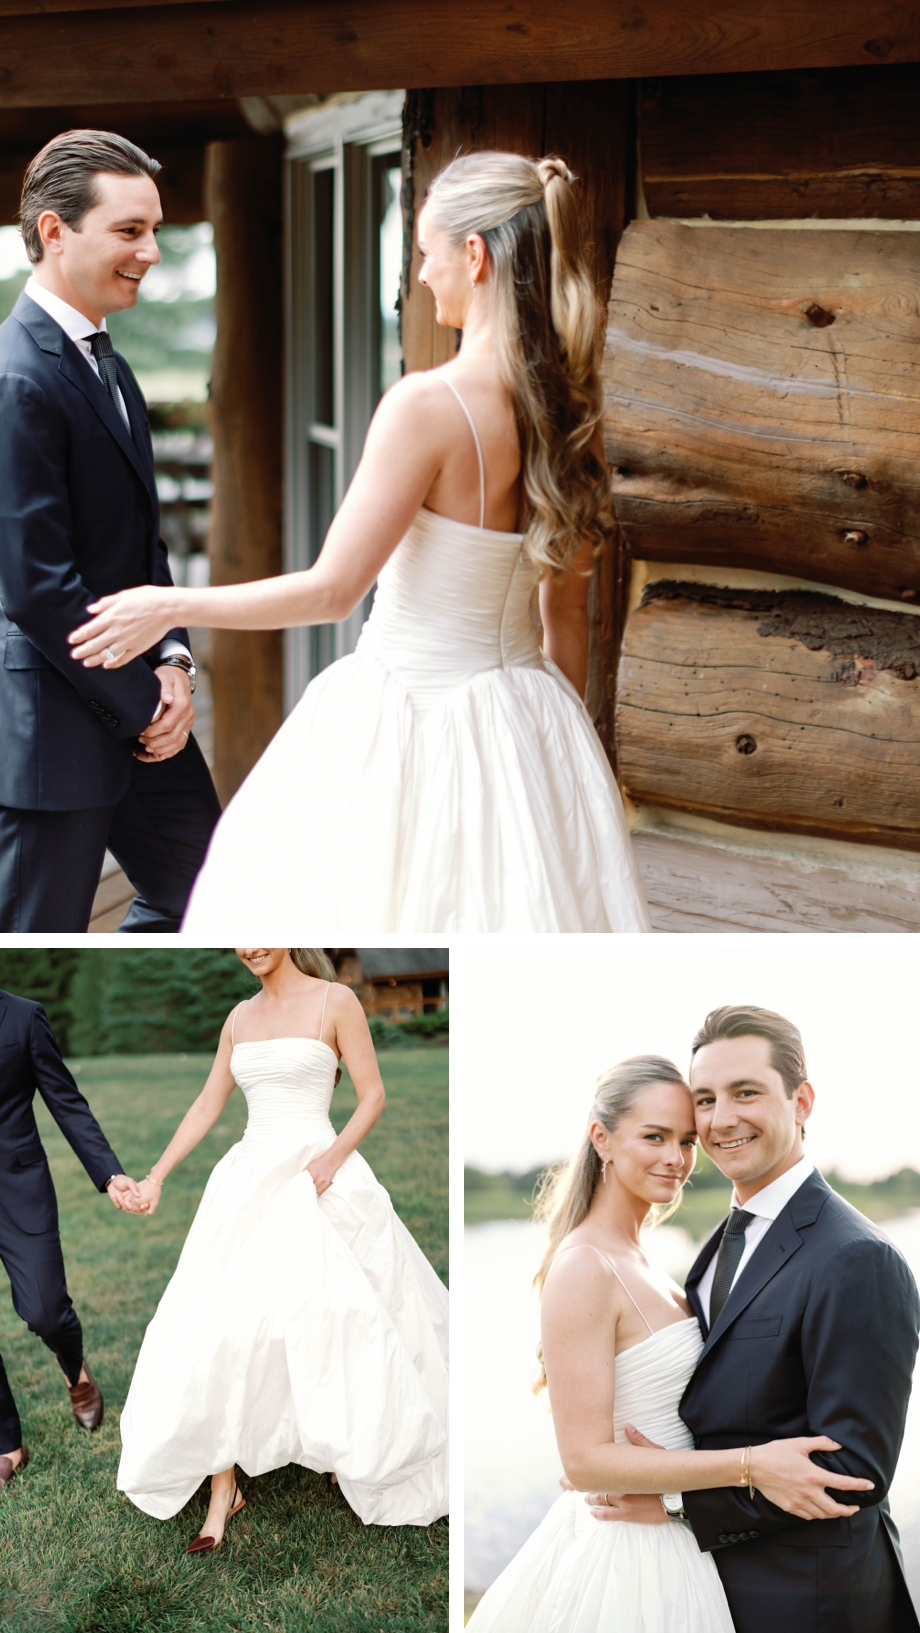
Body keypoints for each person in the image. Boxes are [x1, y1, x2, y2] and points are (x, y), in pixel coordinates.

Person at [68, 151, 650, 933]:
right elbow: (568, 621)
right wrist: (555, 762)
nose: (421, 275)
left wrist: (167, 603)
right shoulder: (571, 411)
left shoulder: (427, 405)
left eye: (424, 252)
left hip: (409, 712)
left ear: (473, 256)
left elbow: (333, 590)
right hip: (532, 712)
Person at [468, 1050, 891, 1632]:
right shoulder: (587, 1266)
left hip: (679, 1538)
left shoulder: (661, 1260)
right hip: (631, 1554)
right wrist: (752, 1465)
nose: (676, 1159)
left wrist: (674, 1494)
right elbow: (584, 1458)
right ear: (602, 1138)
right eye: (655, 1137)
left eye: (688, 1141)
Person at [0, 128, 221, 932]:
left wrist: (173, 662)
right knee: (31, 945)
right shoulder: (8, 383)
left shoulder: (108, 361)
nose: (152, 252)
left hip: (143, 705)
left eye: (156, 230)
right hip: (49, 735)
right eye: (130, 231)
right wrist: (145, 702)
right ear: (53, 232)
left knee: (211, 902)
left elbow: (141, 545)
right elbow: (36, 589)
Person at [576, 1008, 920, 1633]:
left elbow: (851, 1475)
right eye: (704, 1100)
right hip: (710, 1588)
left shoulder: (857, 1259)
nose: (720, 1120)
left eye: (746, 1093)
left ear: (802, 1101)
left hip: (813, 1602)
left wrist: (677, 1500)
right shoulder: (717, 1245)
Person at [115, 949, 448, 1552]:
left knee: (339, 1315)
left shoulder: (335, 1000)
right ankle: (224, 1488)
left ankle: (341, 1443)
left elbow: (371, 1096)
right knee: (221, 1327)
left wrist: (330, 1160)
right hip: (248, 1179)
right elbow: (207, 1103)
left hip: (319, 1172)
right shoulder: (238, 1018)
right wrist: (157, 1175)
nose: (250, 946)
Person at [0, 985, 143, 1491]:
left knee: (45, 1309)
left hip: (20, 1186)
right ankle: (6, 1443)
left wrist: (109, 1174)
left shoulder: (22, 1017)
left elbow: (66, 1101)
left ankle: (75, 1370)